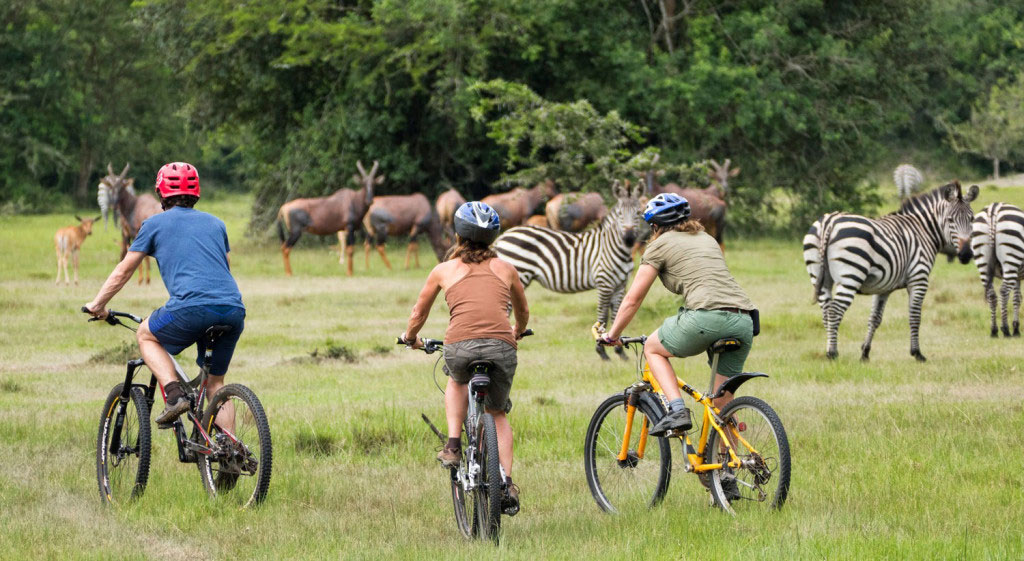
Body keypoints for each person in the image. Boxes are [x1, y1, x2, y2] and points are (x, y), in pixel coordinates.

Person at [84, 162, 245, 428]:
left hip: (190, 309)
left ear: (161, 194)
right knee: (215, 385)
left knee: (145, 334)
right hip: (233, 309)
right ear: (196, 194)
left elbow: (124, 270)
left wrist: (98, 304)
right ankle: (230, 448)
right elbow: (225, 266)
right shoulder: (217, 224)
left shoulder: (153, 223)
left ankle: (173, 395)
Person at [400, 201, 530, 514]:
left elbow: (419, 312)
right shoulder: (506, 268)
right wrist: (517, 330)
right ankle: (506, 482)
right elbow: (523, 311)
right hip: (501, 347)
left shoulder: (443, 270)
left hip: (460, 346)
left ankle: (453, 445)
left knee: (457, 380)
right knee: (498, 413)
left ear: (458, 235)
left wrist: (410, 338)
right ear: (493, 237)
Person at [599, 193, 756, 437]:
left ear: (655, 226)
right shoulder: (707, 239)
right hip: (744, 320)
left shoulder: (659, 245)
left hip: (706, 316)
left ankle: (677, 410)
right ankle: (730, 460)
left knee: (652, 348)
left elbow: (632, 299)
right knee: (722, 403)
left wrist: (612, 335)